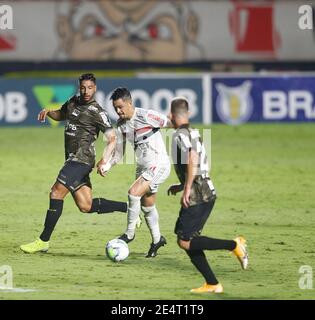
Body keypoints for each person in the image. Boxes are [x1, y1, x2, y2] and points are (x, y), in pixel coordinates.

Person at [20, 73, 128, 254]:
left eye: (90, 88)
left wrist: (105, 159)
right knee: (86, 206)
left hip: (82, 159)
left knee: (56, 191)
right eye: (83, 87)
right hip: (72, 158)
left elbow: (112, 139)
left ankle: (43, 241)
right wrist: (49, 111)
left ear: (95, 88)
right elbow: (60, 115)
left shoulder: (97, 112)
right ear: (79, 87)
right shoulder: (73, 102)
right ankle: (128, 208)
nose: (86, 91)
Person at [167, 97, 248, 293]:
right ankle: (212, 283)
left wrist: (187, 188)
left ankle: (234, 245)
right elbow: (201, 163)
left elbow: (193, 158)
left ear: (171, 115)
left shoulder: (179, 134)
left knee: (185, 240)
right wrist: (182, 184)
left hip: (198, 193)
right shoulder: (194, 131)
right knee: (187, 240)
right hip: (204, 188)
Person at [101, 87, 170, 258]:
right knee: (148, 205)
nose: (118, 111)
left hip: (158, 164)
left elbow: (170, 122)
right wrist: (108, 165)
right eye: (115, 108)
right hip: (143, 167)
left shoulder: (146, 115)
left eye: (120, 107)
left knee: (133, 193)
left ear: (130, 103)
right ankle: (157, 240)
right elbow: (119, 152)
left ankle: (129, 233)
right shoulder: (121, 125)